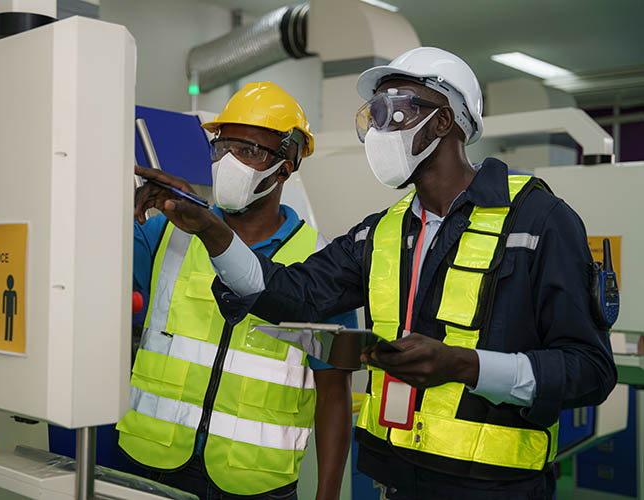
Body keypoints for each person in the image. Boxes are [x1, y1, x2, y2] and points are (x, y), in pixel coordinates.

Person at [134, 48, 618, 500]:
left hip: (496, 487)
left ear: (444, 120)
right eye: (374, 114)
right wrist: (212, 230)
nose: (379, 128)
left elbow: (590, 371)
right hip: (395, 481)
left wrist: (464, 365)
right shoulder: (379, 234)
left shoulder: (537, 221)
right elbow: (288, 292)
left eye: (395, 111)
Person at [117, 81, 357, 500]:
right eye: (222, 147)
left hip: (253, 482)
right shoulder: (165, 232)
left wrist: (328, 496)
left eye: (249, 151)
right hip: (151, 462)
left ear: (286, 165)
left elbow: (333, 392)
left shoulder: (319, 264)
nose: (229, 162)